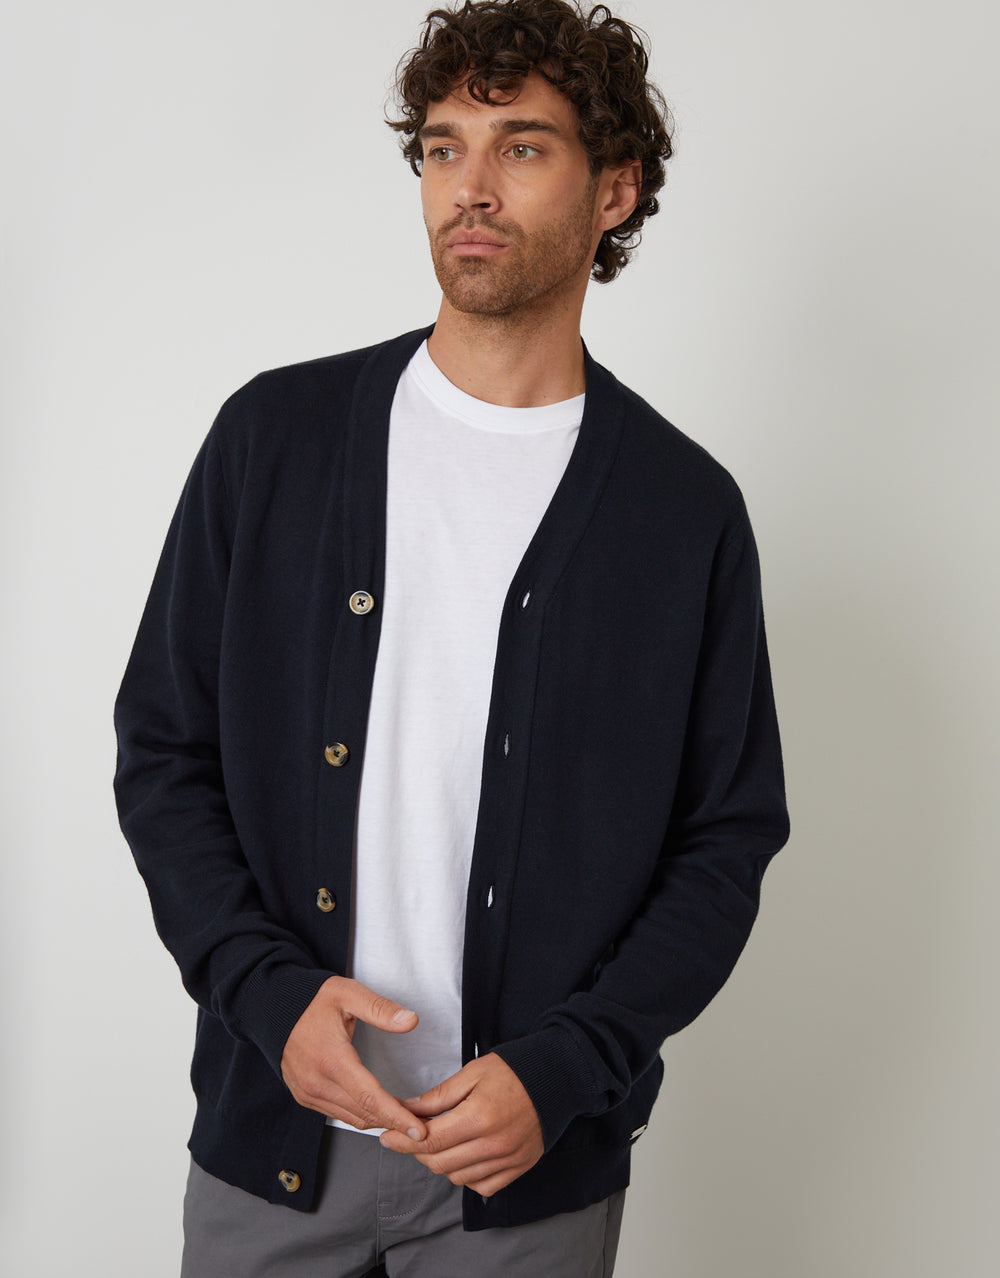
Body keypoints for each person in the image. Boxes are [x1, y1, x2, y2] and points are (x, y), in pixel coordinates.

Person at [114, 1, 789, 1273]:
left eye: (521, 146)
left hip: (525, 1174)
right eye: (441, 147)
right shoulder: (274, 440)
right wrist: (266, 995)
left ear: (614, 190)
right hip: (278, 1141)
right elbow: (163, 752)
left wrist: (568, 1066)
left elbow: (723, 842)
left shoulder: (681, 512)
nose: (468, 187)